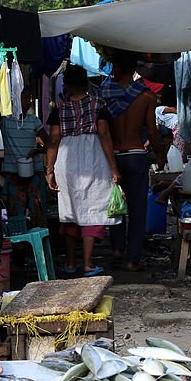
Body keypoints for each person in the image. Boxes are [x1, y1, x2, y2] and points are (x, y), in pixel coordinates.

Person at [45, 65, 120, 277]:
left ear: (66, 84)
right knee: (93, 209)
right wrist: (114, 168)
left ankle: (70, 263)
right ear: (86, 83)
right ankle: (87, 264)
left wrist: (49, 170)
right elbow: (104, 136)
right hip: (94, 159)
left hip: (66, 160)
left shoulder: (59, 109)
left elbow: (53, 140)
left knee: (70, 211)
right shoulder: (99, 105)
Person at [99, 51, 166, 271]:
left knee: (116, 205)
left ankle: (117, 249)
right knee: (137, 209)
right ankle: (132, 259)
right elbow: (153, 132)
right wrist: (161, 155)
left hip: (113, 157)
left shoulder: (104, 94)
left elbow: (101, 129)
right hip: (137, 154)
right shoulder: (146, 96)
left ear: (117, 69)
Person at [0, 88, 50, 226]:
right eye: (25, 98)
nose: (29, 102)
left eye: (30, 99)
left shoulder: (34, 120)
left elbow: (49, 144)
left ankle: (39, 244)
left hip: (35, 173)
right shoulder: (6, 121)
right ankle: (20, 246)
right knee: (16, 214)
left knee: (38, 211)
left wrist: (36, 151)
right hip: (13, 175)